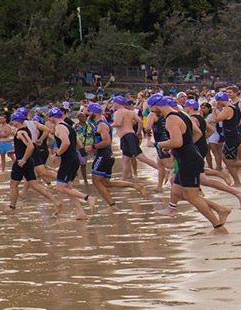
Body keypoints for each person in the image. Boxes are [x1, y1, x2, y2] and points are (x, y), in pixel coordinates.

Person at [154, 95, 229, 231]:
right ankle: (218, 209)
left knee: (192, 196)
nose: (152, 112)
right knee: (177, 191)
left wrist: (159, 144)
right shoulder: (182, 115)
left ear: (158, 106)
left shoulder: (171, 119)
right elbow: (198, 133)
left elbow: (177, 142)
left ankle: (218, 225)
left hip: (189, 161)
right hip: (186, 158)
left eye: (153, 109)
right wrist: (181, 147)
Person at [85, 103, 147, 212]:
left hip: (103, 155)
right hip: (108, 155)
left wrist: (93, 147)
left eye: (88, 112)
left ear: (94, 112)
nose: (87, 114)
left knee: (96, 181)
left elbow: (107, 141)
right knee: (107, 183)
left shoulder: (101, 125)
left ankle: (112, 206)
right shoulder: (101, 123)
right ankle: (135, 186)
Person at [8, 109, 61, 211]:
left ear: (17, 121)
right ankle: (56, 202)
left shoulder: (21, 132)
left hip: (22, 162)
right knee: (35, 185)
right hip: (29, 160)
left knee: (13, 185)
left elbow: (30, 146)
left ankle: (12, 207)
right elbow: (25, 147)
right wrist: (14, 152)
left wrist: (23, 160)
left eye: (13, 121)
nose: (12, 123)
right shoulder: (28, 127)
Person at [45, 108, 91, 219]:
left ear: (52, 117)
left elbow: (66, 142)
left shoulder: (60, 127)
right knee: (69, 189)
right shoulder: (69, 126)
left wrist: (57, 154)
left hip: (68, 160)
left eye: (49, 117)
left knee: (60, 188)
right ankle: (81, 212)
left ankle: (88, 198)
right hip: (74, 158)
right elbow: (78, 143)